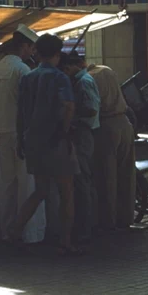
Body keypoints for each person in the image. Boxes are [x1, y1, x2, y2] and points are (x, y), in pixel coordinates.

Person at [10, 34, 80, 256]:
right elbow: (68, 106)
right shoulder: (60, 78)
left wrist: (21, 139)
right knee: (66, 192)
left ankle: (15, 232)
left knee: (40, 191)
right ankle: (65, 240)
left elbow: (21, 113)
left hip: (33, 141)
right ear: (58, 54)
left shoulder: (28, 78)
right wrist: (64, 130)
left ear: (38, 53)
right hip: (56, 141)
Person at [0, 25, 45, 245]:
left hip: (3, 132)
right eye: (31, 48)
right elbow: (32, 107)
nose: (33, 53)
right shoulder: (22, 70)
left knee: (8, 184)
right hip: (22, 134)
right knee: (27, 184)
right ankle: (30, 233)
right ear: (24, 46)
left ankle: (7, 230)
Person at [88, 62, 136, 231]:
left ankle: (108, 221)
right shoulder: (106, 70)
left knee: (107, 176)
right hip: (124, 122)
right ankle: (126, 217)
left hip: (106, 125)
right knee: (126, 174)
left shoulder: (90, 78)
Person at [60, 51, 100, 241]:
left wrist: (71, 112)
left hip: (84, 133)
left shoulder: (83, 82)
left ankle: (85, 227)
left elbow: (91, 109)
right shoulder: (80, 80)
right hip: (82, 133)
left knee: (82, 180)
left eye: (66, 69)